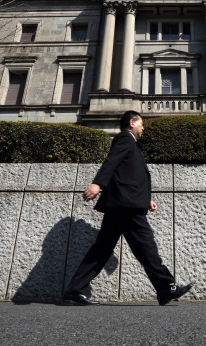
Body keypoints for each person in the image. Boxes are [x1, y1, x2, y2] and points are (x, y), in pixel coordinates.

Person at [62, 110, 192, 306]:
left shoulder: (130, 143)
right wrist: (98, 184)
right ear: (132, 123)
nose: (143, 127)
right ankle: (166, 286)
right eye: (141, 124)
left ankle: (74, 290)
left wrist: (146, 199)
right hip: (126, 205)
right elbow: (112, 162)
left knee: (101, 249)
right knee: (145, 245)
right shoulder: (125, 138)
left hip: (122, 203)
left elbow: (127, 173)